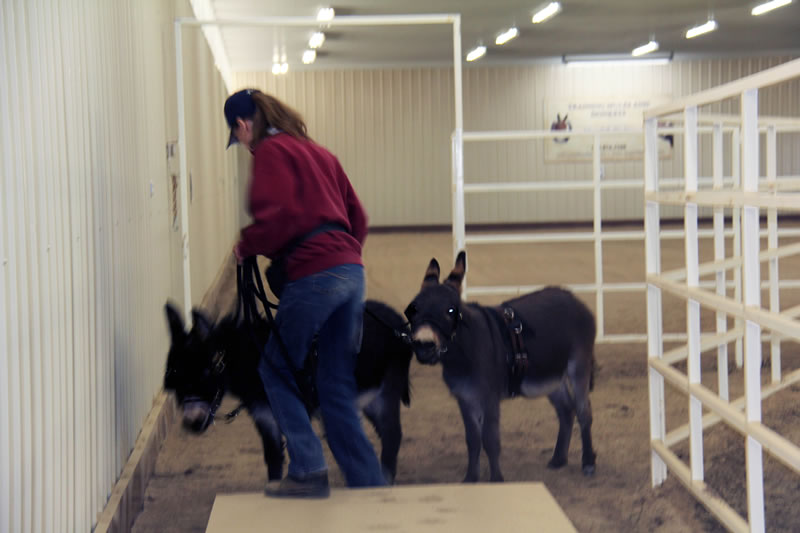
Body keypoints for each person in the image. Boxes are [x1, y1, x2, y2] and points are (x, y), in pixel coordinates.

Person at [225, 88, 386, 497]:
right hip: (351, 270)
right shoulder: (319, 153)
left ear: (244, 125)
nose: (242, 144)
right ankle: (368, 483)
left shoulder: (271, 154)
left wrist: (246, 246)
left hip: (314, 275)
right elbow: (359, 217)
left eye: (238, 135)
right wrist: (343, 256)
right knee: (335, 383)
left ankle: (309, 469)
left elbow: (279, 218)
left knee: (275, 369)